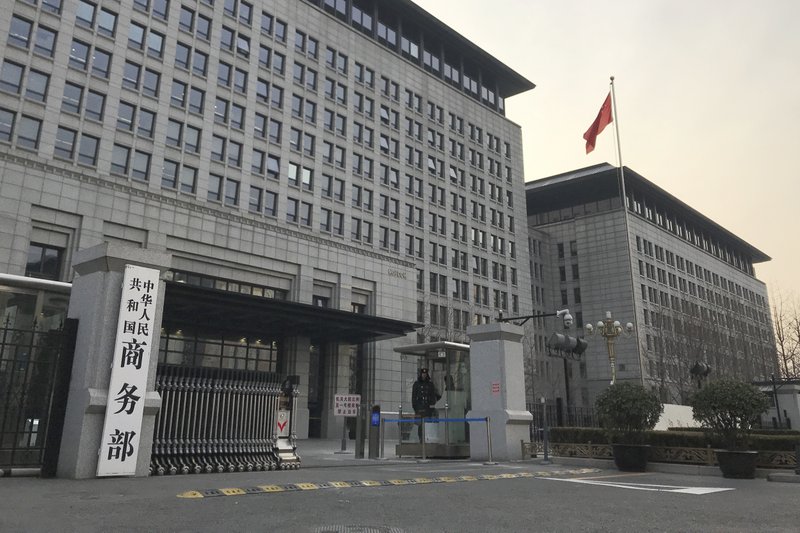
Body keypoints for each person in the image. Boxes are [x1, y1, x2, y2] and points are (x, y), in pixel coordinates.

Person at [411, 367, 440, 442]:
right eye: (423, 374)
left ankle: (426, 438)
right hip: (419, 408)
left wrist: (432, 407)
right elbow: (414, 397)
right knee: (420, 425)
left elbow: (432, 396)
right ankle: (421, 439)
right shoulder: (416, 384)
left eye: (425, 374)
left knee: (427, 424)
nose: (424, 375)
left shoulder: (430, 384)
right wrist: (416, 407)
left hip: (427, 408)